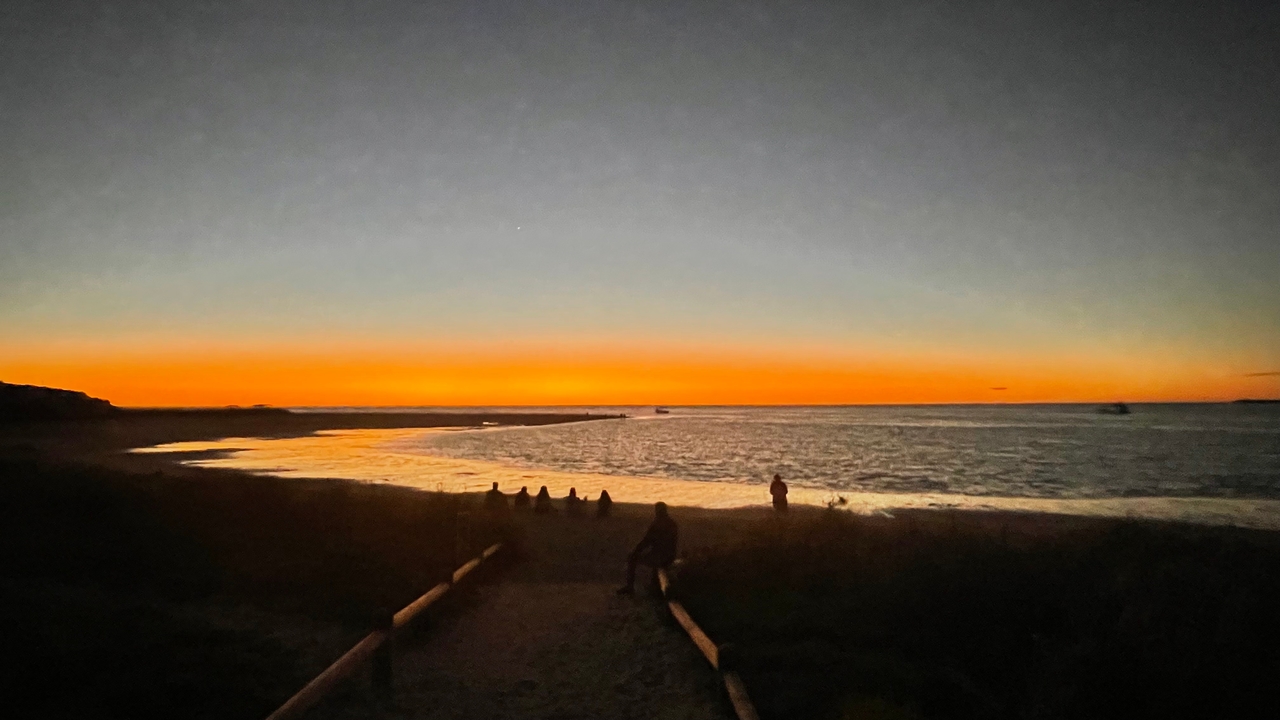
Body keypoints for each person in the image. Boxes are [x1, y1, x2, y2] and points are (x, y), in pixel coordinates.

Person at [617, 502, 678, 595]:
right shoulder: (672, 524)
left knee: (632, 559)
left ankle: (630, 587)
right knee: (655, 563)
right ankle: (654, 586)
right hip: (670, 555)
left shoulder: (657, 525)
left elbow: (646, 541)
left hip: (659, 556)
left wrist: (635, 552)